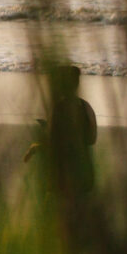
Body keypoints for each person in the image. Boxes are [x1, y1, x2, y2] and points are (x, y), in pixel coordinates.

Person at [23, 63, 98, 199]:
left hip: (62, 179)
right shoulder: (86, 107)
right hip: (85, 176)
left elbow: (53, 143)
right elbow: (92, 139)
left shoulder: (58, 108)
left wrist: (34, 147)